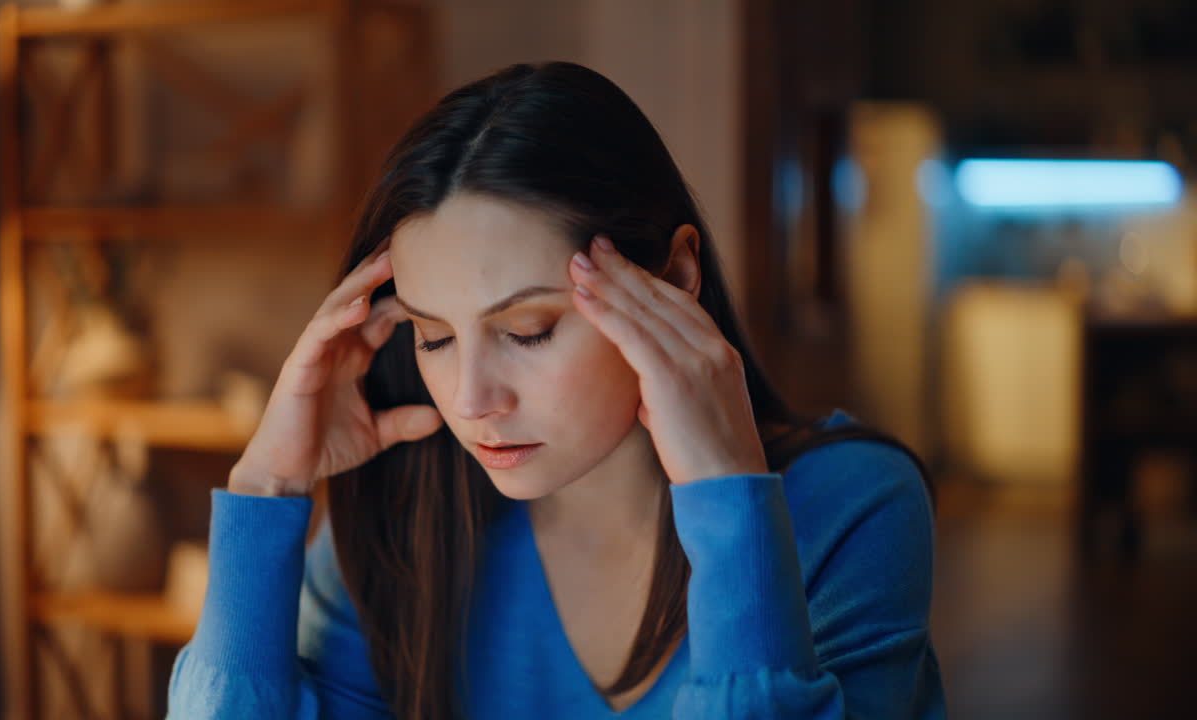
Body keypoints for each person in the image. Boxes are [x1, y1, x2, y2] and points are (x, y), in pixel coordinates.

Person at [166, 61, 946, 719]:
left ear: (673, 277)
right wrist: (266, 486)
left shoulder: (850, 506)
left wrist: (725, 493)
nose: (471, 400)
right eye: (433, 337)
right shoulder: (410, 515)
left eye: (528, 330)